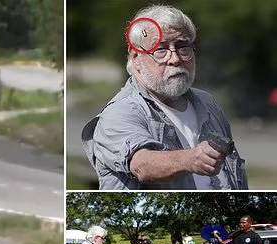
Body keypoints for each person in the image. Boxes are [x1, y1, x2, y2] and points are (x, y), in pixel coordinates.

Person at [82, 5, 248, 190]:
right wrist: (191, 159)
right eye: (161, 50)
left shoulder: (208, 103)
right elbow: (142, 165)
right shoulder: (119, 113)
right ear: (136, 58)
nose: (175, 58)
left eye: (182, 46)